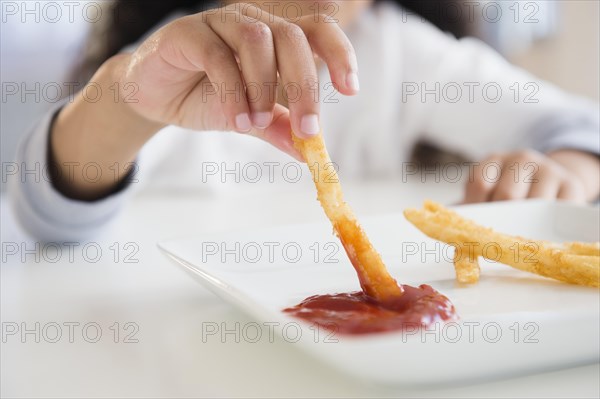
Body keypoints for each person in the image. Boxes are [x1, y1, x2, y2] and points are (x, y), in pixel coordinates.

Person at [10, 0, 600, 241]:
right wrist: (122, 99)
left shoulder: (399, 50)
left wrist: (565, 172)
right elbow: (51, 213)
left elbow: (579, 124)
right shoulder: (177, 58)